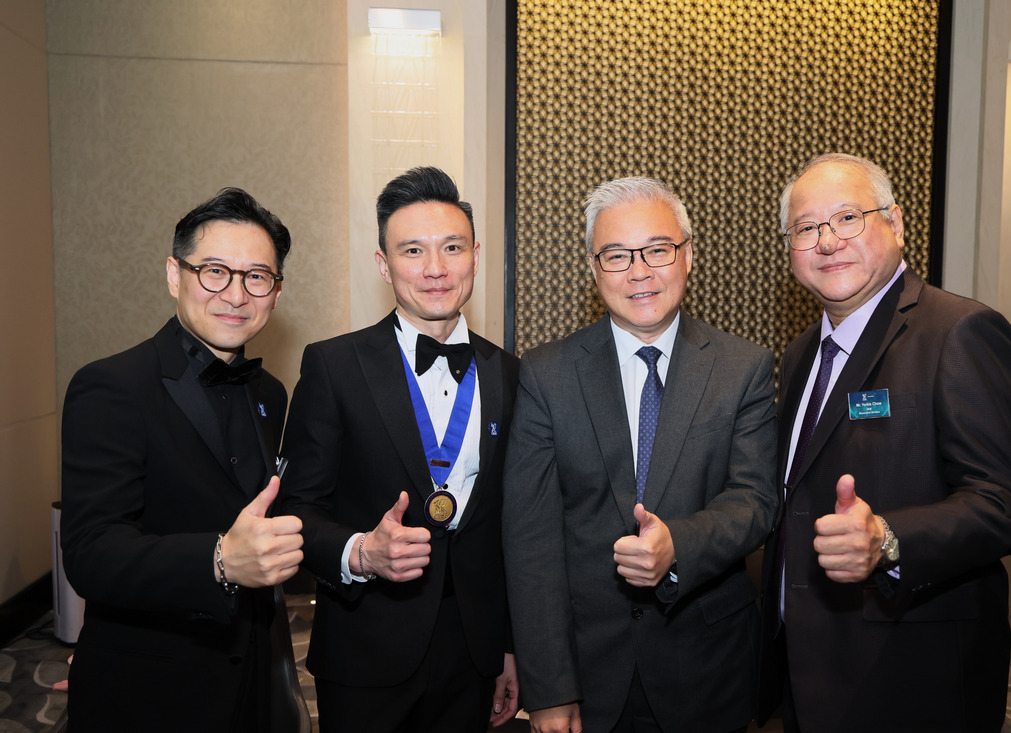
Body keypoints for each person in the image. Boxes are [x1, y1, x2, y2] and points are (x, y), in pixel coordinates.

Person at [757, 153, 1011, 733]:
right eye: (806, 227)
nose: (827, 241)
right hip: (807, 665)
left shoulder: (960, 332)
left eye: (847, 217)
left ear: (896, 222)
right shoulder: (801, 352)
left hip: (910, 673)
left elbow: (1002, 506)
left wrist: (887, 538)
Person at [503, 176, 777, 733]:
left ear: (688, 254)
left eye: (657, 249)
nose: (639, 271)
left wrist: (679, 544)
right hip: (587, 673)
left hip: (707, 667)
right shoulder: (546, 374)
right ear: (593, 267)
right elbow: (531, 540)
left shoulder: (742, 367)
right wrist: (550, 688)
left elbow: (755, 500)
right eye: (617, 255)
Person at [279, 166, 520, 732]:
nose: (435, 268)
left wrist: (510, 647)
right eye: (413, 250)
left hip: (475, 653)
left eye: (452, 248)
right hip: (365, 649)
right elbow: (295, 510)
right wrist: (361, 551)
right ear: (384, 264)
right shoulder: (334, 366)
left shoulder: (511, 374)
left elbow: (514, 526)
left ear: (475, 257)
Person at [61, 187, 303, 732]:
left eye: (257, 276)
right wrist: (219, 560)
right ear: (175, 275)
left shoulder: (271, 392)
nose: (236, 294)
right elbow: (90, 552)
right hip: (152, 689)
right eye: (214, 271)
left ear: (276, 292)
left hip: (256, 677)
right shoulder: (112, 385)